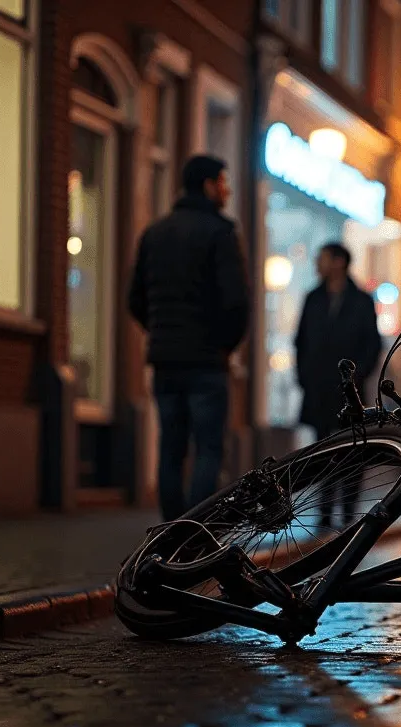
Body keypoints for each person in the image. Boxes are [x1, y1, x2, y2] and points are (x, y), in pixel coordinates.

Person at [128, 155, 248, 522]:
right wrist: (224, 346)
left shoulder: (154, 233)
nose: (226, 189)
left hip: (165, 360)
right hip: (206, 361)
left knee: (171, 448)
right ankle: (195, 531)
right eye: (223, 182)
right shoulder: (219, 233)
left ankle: (168, 532)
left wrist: (161, 333)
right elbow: (236, 302)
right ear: (209, 185)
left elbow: (135, 299)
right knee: (208, 448)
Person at [295, 243, 384, 440]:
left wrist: (358, 374)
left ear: (339, 262)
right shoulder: (313, 299)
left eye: (323, 258)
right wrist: (304, 375)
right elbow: (301, 341)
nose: (317, 263)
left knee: (351, 447)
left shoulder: (362, 301)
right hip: (318, 387)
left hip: (349, 388)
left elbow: (372, 344)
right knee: (320, 449)